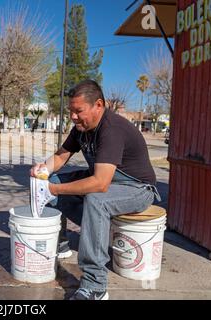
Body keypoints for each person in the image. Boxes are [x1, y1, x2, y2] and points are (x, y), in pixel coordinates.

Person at [30, 80, 160, 300]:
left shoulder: (112, 128)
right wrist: (43, 170)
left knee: (95, 199)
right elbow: (62, 156)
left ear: (98, 105)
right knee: (51, 179)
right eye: (71, 110)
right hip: (109, 182)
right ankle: (61, 243)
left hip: (138, 188)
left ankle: (95, 285)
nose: (73, 116)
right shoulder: (81, 128)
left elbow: (100, 183)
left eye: (78, 111)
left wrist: (54, 189)